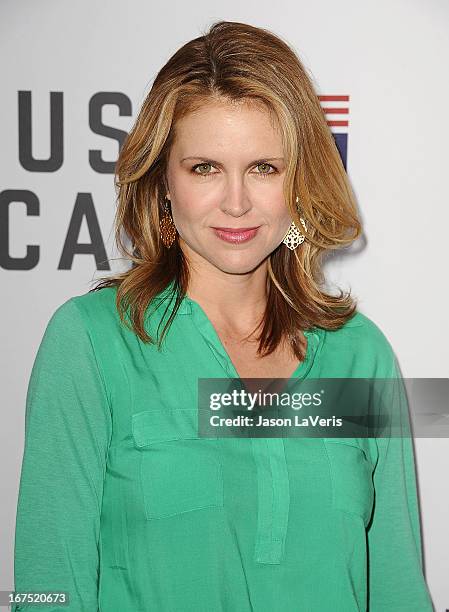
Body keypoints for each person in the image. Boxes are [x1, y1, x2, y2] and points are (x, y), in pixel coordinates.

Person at [12, 19, 434, 612]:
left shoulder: (359, 354)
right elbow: (46, 588)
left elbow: (395, 588)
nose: (236, 201)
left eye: (264, 167)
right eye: (204, 167)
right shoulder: (92, 341)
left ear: (301, 181)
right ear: (163, 180)